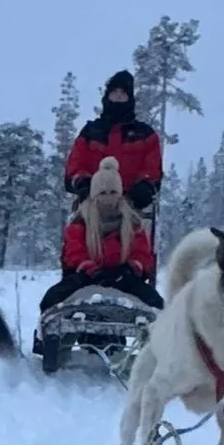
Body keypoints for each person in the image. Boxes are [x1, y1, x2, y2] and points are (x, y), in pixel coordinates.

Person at [37, 155, 160, 313]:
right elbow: (74, 254)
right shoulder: (80, 222)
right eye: (103, 193)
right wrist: (91, 270)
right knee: (50, 300)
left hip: (124, 279)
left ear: (120, 193)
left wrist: (129, 270)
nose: (108, 197)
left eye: (113, 192)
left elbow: (142, 255)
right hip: (86, 278)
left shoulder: (133, 223)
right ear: (94, 195)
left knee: (158, 305)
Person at [63, 69, 163, 214]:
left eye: (123, 93)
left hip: (131, 204)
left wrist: (145, 186)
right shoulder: (90, 132)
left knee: (135, 228)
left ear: (129, 98)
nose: (118, 96)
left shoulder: (145, 135)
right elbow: (75, 163)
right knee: (77, 228)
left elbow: (152, 168)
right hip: (93, 201)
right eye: (114, 92)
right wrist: (83, 182)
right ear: (107, 96)